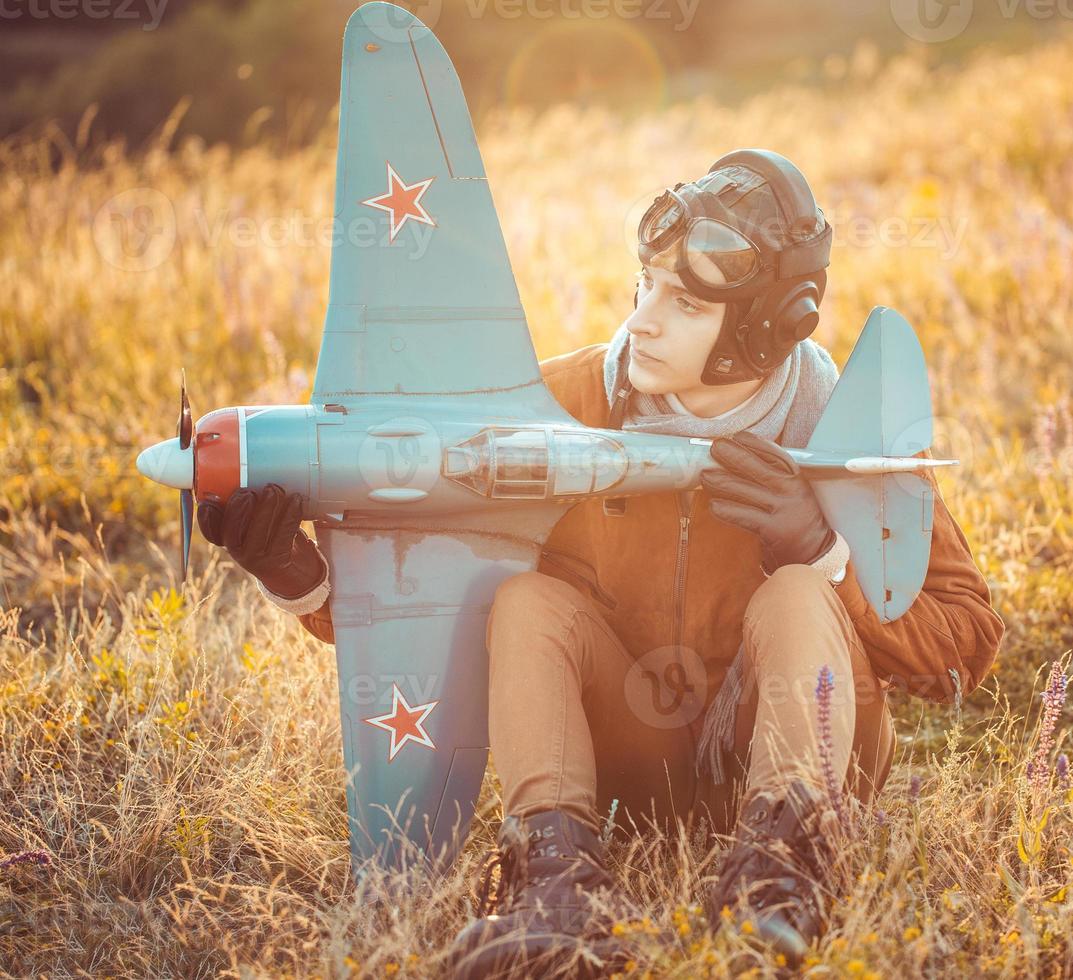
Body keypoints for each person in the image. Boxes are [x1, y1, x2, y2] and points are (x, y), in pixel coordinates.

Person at [196, 149, 1005, 976]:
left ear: (765, 327)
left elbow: (965, 647)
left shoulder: (844, 423)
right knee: (526, 603)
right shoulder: (556, 407)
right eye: (645, 284)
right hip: (631, 765)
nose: (643, 319)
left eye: (684, 302)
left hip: (809, 743)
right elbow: (436, 598)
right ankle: (552, 881)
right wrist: (294, 575)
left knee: (798, 591)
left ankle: (785, 870)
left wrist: (826, 550)